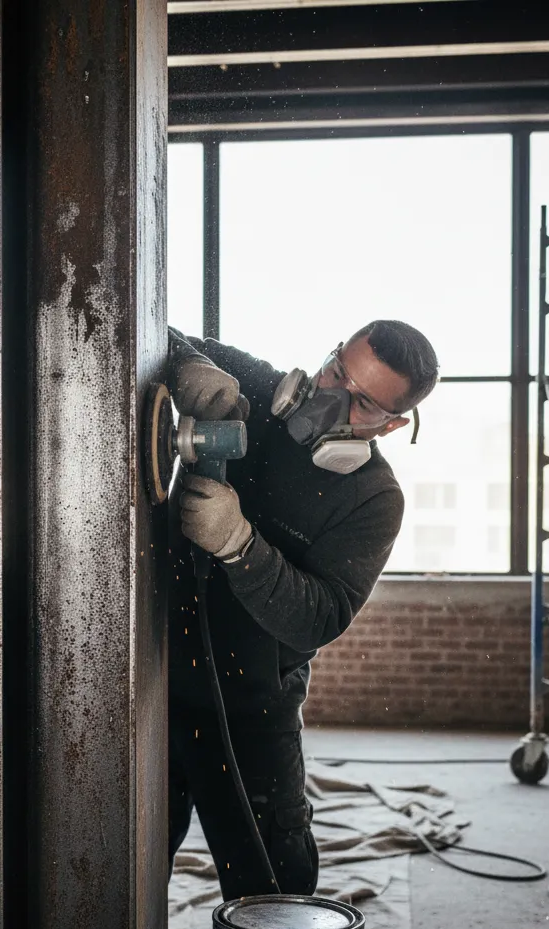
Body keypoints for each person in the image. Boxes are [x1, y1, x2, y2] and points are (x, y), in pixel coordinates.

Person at [166, 320, 439, 899]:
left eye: (362, 402)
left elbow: (321, 615)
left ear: (392, 425)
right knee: (121, 863)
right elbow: (152, 331)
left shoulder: (372, 498)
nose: (332, 396)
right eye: (338, 370)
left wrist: (239, 545)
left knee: (276, 888)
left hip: (252, 703)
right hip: (153, 679)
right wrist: (188, 366)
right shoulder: (258, 391)